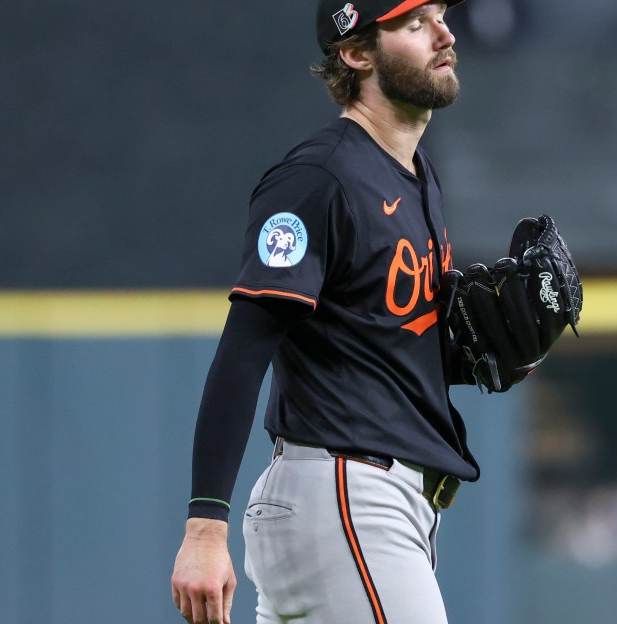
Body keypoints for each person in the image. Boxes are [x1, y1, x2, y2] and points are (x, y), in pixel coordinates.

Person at [171, 2, 478, 623]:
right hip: (348, 491)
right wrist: (205, 526)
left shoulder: (416, 174)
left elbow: (381, 343)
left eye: (440, 14)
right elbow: (243, 349)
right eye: (414, 24)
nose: (444, 33)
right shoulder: (320, 177)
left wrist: (480, 354)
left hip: (373, 500)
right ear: (357, 53)